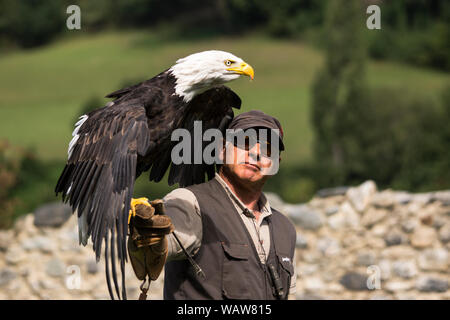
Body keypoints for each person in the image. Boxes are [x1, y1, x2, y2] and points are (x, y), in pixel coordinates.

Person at [128, 110, 297, 300]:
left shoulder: (285, 228)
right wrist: (151, 239)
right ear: (222, 150)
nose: (255, 153)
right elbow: (163, 245)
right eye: (245, 143)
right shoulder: (191, 203)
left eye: (267, 149)